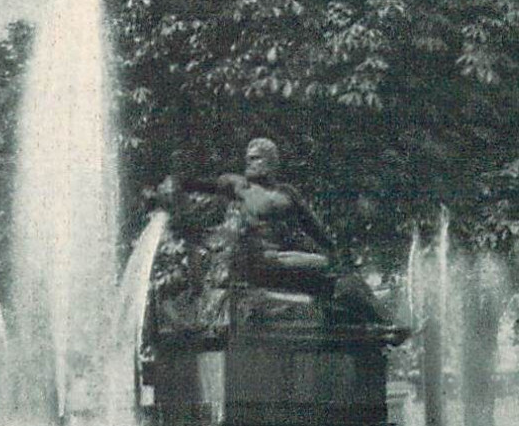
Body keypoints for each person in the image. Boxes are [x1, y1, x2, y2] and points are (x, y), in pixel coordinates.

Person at [167, 137, 396, 327]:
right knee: (331, 271)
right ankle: (386, 322)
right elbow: (203, 184)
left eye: (255, 158)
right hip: (256, 261)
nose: (249, 162)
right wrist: (180, 182)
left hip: (280, 260)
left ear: (271, 161)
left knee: (341, 277)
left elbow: (315, 229)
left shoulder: (287, 193)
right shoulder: (239, 185)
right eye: (247, 157)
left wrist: (337, 254)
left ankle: (376, 322)